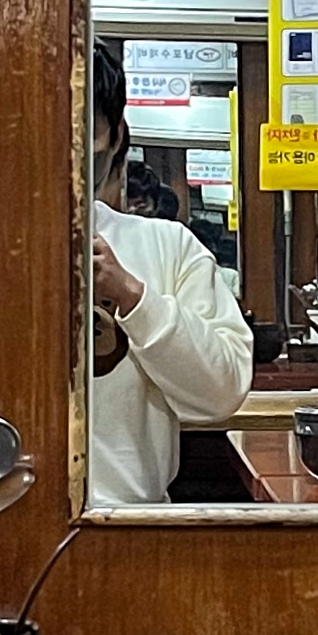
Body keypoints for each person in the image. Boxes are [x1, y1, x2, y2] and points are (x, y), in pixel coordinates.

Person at [90, 41, 253, 505]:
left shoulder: (168, 246)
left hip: (128, 524)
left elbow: (223, 391)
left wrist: (133, 297)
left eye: (82, 130)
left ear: (116, 137)